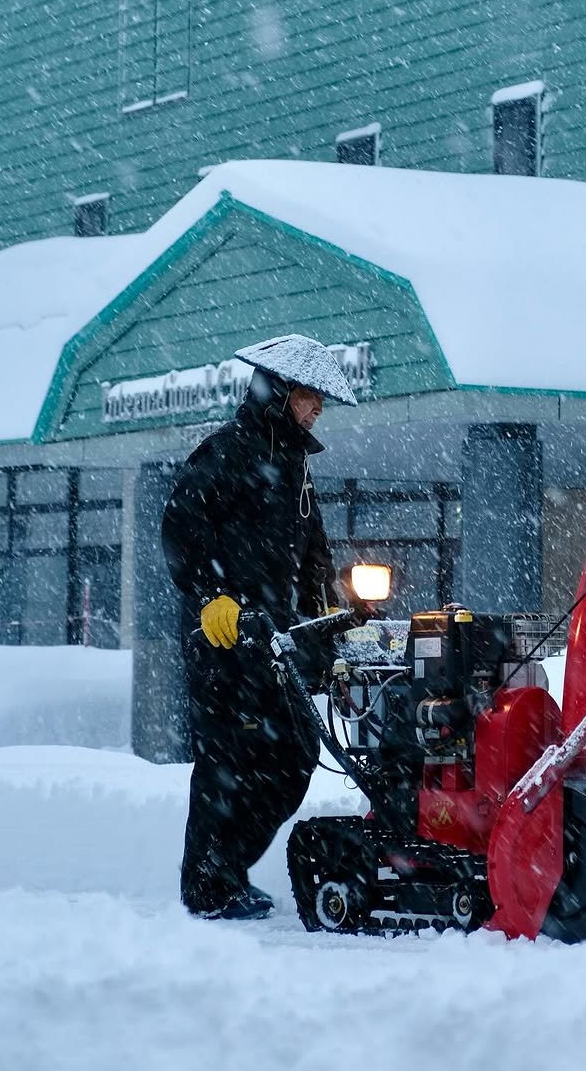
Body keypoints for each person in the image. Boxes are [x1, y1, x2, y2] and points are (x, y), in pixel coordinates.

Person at [161, 334, 357, 920]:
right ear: (277, 390)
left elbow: (314, 556)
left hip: (275, 639)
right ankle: (208, 887)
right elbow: (179, 529)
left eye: (321, 400)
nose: (317, 408)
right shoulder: (227, 452)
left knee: (294, 754)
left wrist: (333, 622)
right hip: (222, 637)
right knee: (227, 762)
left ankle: (226, 870)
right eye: (309, 397)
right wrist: (210, 595)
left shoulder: (296, 468)